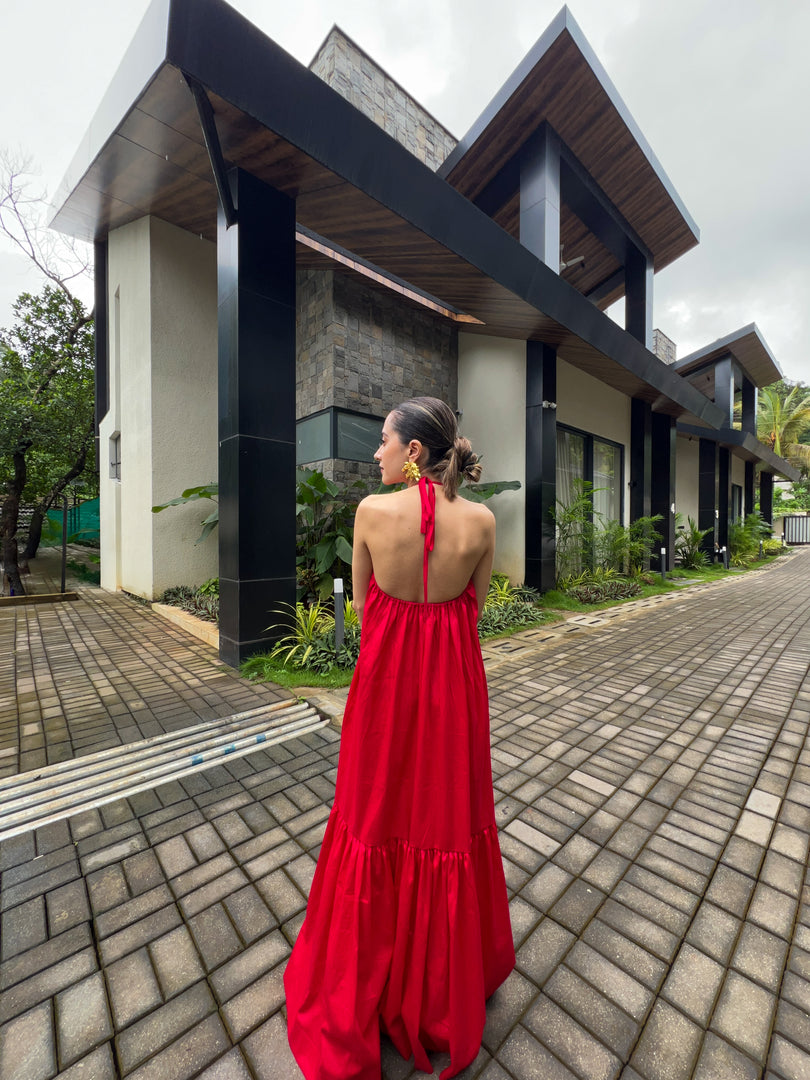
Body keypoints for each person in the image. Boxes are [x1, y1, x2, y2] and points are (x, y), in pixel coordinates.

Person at [284, 396, 515, 1079]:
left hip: (383, 692)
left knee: (374, 818)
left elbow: (360, 609)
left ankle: (367, 978)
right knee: (448, 819)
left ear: (413, 451)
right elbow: (469, 617)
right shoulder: (481, 521)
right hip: (455, 693)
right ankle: (442, 989)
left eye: (383, 441)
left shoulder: (369, 515)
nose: (375, 453)